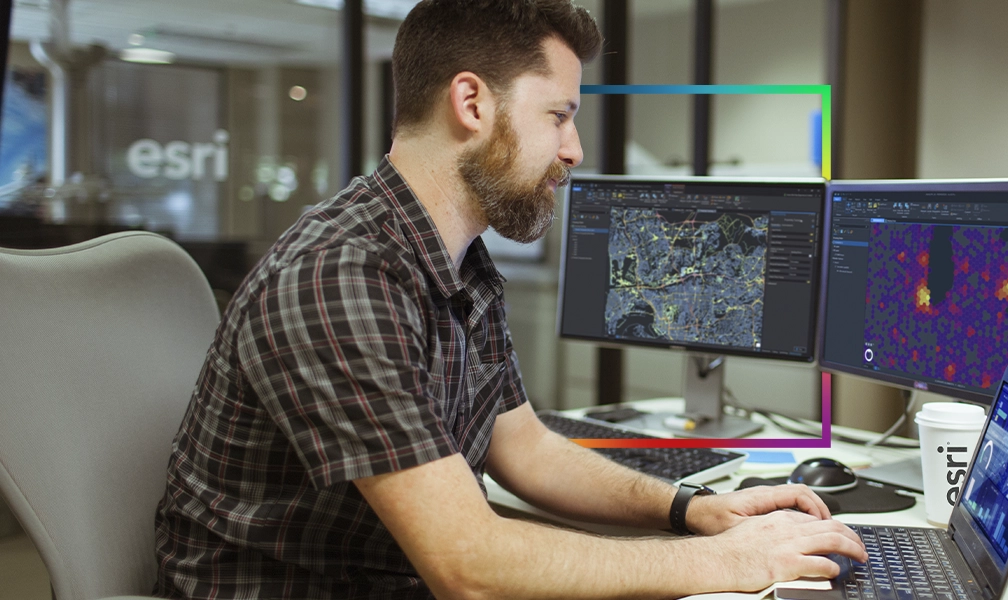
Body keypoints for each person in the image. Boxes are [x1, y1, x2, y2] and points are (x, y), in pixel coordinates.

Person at [152, 1, 866, 598]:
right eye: (558, 114)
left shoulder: (456, 259)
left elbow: (524, 449)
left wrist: (695, 512)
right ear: (472, 102)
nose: (574, 148)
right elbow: (468, 565)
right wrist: (725, 563)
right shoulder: (340, 274)